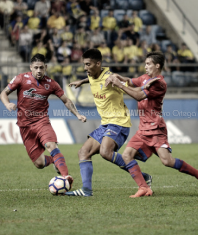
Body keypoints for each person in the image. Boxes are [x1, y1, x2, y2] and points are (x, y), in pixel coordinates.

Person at [105, 52, 198, 197]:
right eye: (145, 63)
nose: (145, 66)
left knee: (167, 161)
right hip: (143, 129)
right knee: (127, 155)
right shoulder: (144, 78)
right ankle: (143, 187)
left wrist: (119, 84)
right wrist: (118, 77)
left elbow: (138, 95)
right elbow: (130, 81)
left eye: (148, 64)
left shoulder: (159, 83)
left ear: (157, 65)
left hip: (156, 128)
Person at [65, 49, 152, 197]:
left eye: (88, 64)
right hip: (105, 124)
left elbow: (133, 87)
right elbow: (93, 79)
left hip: (119, 122)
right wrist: (81, 81)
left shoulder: (111, 78)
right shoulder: (92, 75)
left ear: (98, 64)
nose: (85, 68)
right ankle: (86, 191)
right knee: (83, 152)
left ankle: (142, 179)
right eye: (84, 64)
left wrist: (147, 87)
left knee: (105, 152)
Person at [0, 53, 87, 188]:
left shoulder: (51, 84)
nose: (39, 70)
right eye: (36, 67)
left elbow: (66, 100)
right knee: (39, 164)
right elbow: (3, 93)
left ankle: (65, 177)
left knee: (51, 145)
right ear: (31, 67)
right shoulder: (21, 79)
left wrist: (78, 115)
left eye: (41, 67)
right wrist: (7, 104)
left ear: (45, 67)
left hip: (42, 121)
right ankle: (55, 161)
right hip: (25, 126)